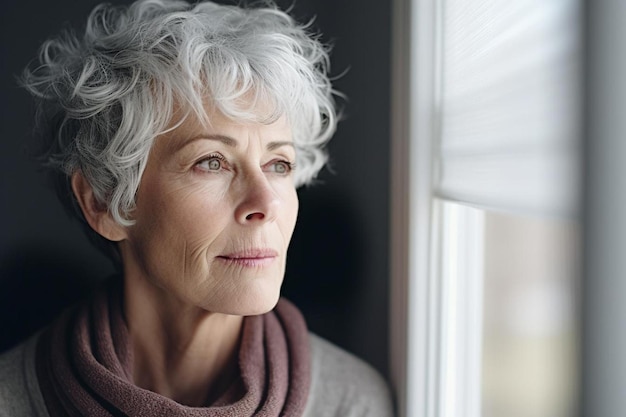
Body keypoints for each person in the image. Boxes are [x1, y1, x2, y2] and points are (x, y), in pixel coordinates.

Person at [0, 0, 394, 415]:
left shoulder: (351, 403)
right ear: (102, 201)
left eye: (279, 164)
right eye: (212, 162)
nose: (266, 203)